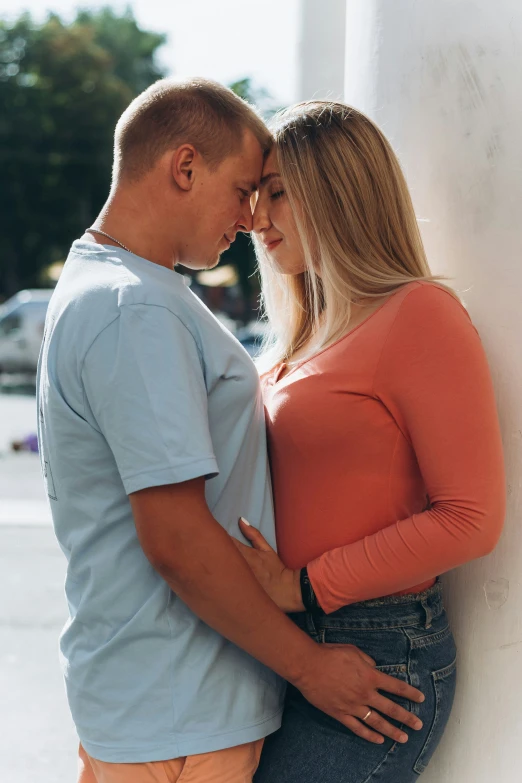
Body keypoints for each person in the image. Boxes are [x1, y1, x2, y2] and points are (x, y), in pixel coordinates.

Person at [37, 81, 424, 783]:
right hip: (180, 713)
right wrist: (311, 667)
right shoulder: (135, 308)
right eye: (246, 188)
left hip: (159, 703)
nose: (251, 219)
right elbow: (177, 539)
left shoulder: (108, 287)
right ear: (184, 167)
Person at [233, 101, 506, 782]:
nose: (256, 218)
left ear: (338, 190)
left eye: (277, 192)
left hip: (378, 651)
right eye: (254, 196)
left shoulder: (420, 315)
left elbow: (471, 517)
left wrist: (303, 586)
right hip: (290, 645)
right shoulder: (306, 335)